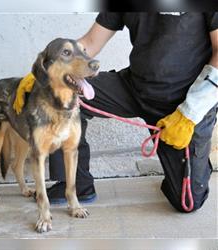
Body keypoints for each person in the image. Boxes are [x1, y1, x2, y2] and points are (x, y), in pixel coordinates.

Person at [16, 12, 218, 212]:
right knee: (56, 92)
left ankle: (194, 163)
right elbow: (90, 42)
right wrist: (45, 70)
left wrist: (189, 113)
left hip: (184, 102)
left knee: (186, 203)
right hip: (135, 87)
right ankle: (77, 185)